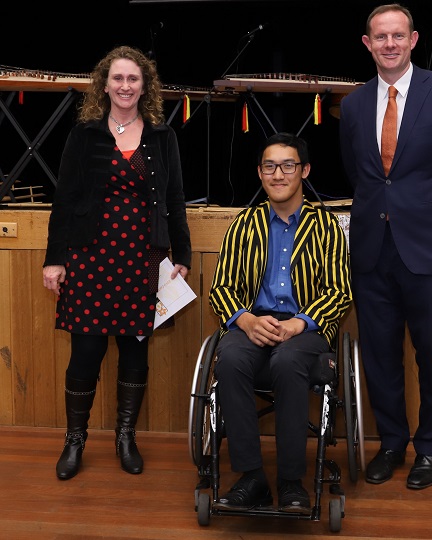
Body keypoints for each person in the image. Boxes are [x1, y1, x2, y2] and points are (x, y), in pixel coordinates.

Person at [339, 4, 432, 490]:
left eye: (397, 36)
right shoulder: (356, 102)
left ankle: (430, 449)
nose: (388, 44)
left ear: (413, 39)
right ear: (367, 43)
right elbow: (359, 174)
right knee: (380, 355)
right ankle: (391, 444)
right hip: (371, 252)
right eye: (379, 36)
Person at [42, 45, 192, 480]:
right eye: (118, 79)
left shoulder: (163, 137)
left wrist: (180, 255)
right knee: (85, 352)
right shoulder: (83, 135)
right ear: (104, 85)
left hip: (143, 260)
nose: (125, 86)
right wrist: (55, 260)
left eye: (133, 79)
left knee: (135, 352)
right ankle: (75, 441)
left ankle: (126, 437)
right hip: (89, 259)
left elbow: (176, 201)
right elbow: (65, 201)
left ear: (145, 86)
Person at [209, 132, 352, 513]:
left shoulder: (327, 228)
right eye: (270, 166)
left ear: (304, 171)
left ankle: (291, 482)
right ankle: (252, 477)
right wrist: (246, 319)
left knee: (288, 362)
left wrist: (299, 324)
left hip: (305, 328)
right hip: (252, 321)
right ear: (259, 173)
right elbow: (221, 288)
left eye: (288, 165)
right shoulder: (244, 225)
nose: (278, 174)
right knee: (233, 361)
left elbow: (340, 291)